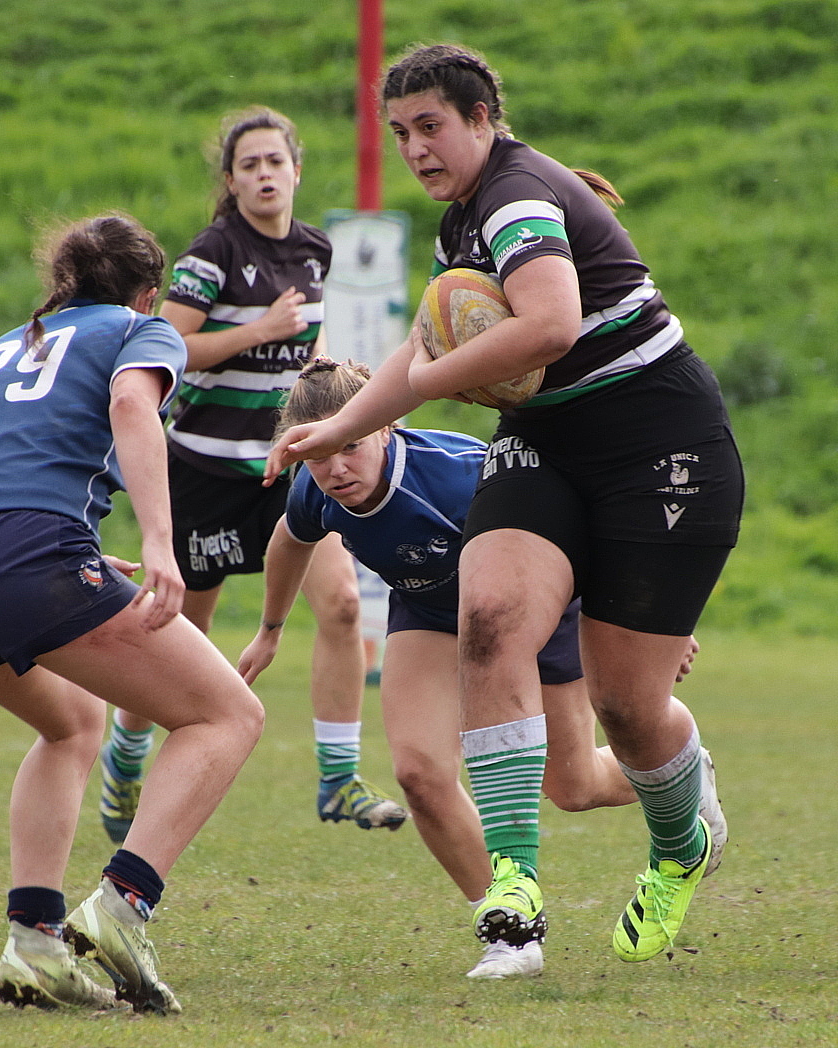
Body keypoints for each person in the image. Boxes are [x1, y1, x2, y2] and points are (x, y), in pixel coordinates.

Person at [265, 45, 744, 978]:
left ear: (484, 117)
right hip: (547, 441)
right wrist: (341, 430)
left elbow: (552, 325)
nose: (415, 149)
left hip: (659, 442)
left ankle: (683, 840)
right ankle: (514, 897)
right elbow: (417, 347)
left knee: (628, 708)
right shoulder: (461, 222)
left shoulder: (519, 196)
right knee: (487, 619)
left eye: (431, 126)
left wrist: (435, 385)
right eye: (400, 133)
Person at [244, 357, 724, 978]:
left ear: (386, 425)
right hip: (429, 608)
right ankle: (512, 933)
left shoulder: (458, 473)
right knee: (418, 774)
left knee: (572, 787)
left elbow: (585, 522)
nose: (335, 468)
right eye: (318, 454)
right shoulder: (316, 487)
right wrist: (270, 630)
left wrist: (649, 621)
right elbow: (290, 538)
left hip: (538, 611)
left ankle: (680, 767)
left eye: (351, 446)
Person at [0, 213, 264, 1012]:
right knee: (227, 715)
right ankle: (125, 907)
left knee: (71, 725)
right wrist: (161, 545)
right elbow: (135, 408)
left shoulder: (9, 342)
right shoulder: (142, 329)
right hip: (24, 556)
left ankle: (34, 942)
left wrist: (70, 547)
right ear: (147, 293)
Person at [98, 106, 405, 844]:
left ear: (297, 169)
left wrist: (322, 383)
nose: (265, 174)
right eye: (250, 165)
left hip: (283, 471)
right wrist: (260, 331)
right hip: (204, 474)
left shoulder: (315, 250)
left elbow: (311, 338)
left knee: (338, 608)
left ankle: (338, 779)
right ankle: (125, 753)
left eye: (276, 161)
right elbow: (164, 344)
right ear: (231, 181)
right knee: (176, 637)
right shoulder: (214, 252)